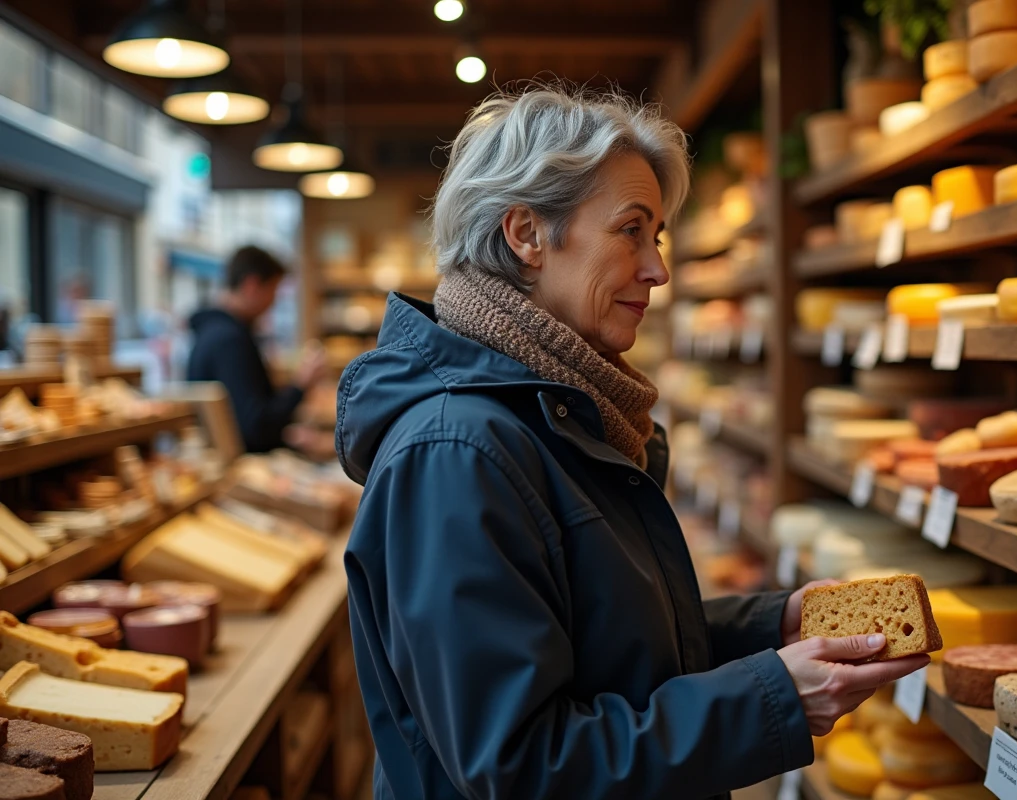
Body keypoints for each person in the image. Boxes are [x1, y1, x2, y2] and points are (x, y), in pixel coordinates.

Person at [337, 86, 929, 800]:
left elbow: (599, 649)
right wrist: (771, 699)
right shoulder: (457, 452)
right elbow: (521, 766)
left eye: (659, 237)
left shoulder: (556, 413)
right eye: (630, 231)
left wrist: (771, 626)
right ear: (526, 235)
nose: (658, 270)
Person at [187, 245, 324, 453]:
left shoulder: (213, 331)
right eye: (273, 291)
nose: (274, 301)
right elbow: (255, 429)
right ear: (251, 285)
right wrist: (300, 385)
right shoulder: (229, 339)